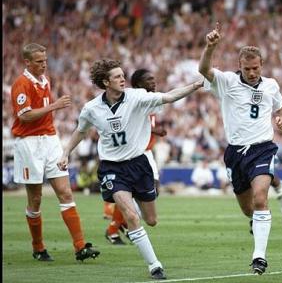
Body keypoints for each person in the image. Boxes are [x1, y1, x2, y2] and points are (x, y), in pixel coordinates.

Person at [58, 59, 203, 279]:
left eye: (122, 75)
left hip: (139, 164)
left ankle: (129, 210)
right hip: (112, 168)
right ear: (106, 82)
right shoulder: (92, 108)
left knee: (151, 220)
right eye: (117, 76)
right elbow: (80, 130)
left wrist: (194, 86)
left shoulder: (137, 97)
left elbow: (169, 96)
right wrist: (65, 152)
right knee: (132, 216)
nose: (123, 78)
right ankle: (154, 266)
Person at [199, 22, 282, 275]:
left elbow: (281, 106)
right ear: (239, 66)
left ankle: (259, 257)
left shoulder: (271, 84)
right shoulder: (226, 82)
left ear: (262, 65)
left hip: (262, 148)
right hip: (236, 152)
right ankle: (256, 222)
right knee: (249, 208)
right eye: (247, 68)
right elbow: (204, 69)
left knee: (261, 198)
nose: (251, 72)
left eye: (256, 68)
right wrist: (210, 47)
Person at [10, 43, 100, 262]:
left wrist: (53, 107)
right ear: (27, 62)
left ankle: (80, 247)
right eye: (39, 61)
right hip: (29, 143)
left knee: (66, 193)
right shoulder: (21, 84)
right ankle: (38, 247)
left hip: (50, 140)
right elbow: (25, 116)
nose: (44, 65)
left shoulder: (45, 80)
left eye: (45, 60)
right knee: (36, 199)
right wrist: (54, 105)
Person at [104, 68, 169, 246]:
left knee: (149, 193)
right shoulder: (135, 100)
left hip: (147, 153)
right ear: (139, 84)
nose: (153, 82)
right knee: (136, 194)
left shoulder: (151, 100)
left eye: (154, 78)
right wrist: (155, 130)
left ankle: (123, 223)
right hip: (136, 155)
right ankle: (115, 227)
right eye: (149, 79)